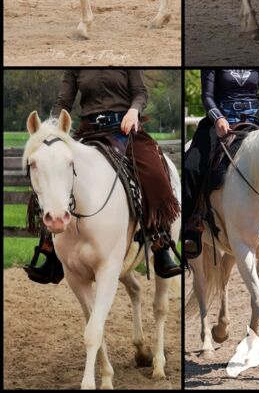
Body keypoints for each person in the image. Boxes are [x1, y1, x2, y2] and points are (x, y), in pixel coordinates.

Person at [24, 69, 181, 283]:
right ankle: (50, 248)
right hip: (88, 131)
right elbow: (63, 101)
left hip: (124, 129)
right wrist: (50, 131)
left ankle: (160, 241)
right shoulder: (76, 65)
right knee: (55, 169)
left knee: (154, 171)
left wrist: (134, 111)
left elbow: (140, 92)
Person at [184, 69, 259, 257]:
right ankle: (192, 225)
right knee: (191, 166)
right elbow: (207, 96)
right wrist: (218, 117)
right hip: (220, 123)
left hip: (255, 123)